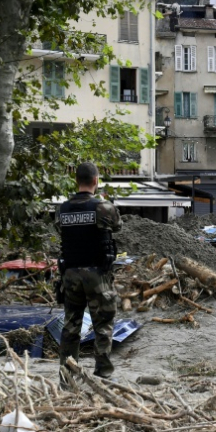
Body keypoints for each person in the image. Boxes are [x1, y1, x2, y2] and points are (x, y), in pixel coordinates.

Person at [57, 162, 121, 386]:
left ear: (76, 181)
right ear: (96, 180)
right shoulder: (104, 207)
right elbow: (117, 226)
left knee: (71, 325)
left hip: (71, 273)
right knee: (103, 324)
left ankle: (67, 377)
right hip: (97, 274)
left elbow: (61, 231)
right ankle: (102, 374)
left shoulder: (63, 209)